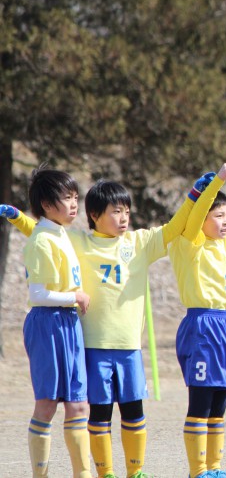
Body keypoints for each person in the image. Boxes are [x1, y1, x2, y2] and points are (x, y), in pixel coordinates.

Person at [3, 173, 209, 478]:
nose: (124, 218)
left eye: (127, 211)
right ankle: (105, 472)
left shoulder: (139, 242)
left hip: (128, 347)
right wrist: (18, 217)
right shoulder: (78, 240)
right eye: (116, 212)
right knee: (98, 414)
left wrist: (194, 195)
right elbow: (40, 232)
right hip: (92, 344)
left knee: (134, 411)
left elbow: (175, 227)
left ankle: (135, 471)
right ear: (95, 216)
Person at [168, 160, 226, 478]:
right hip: (202, 325)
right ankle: (198, 470)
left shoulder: (223, 244)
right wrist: (218, 181)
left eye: (224, 216)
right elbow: (197, 212)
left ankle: (215, 468)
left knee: (220, 400)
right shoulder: (189, 244)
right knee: (202, 401)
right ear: (201, 219)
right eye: (217, 216)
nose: (224, 221)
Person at [19, 167, 92, 478]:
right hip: (47, 325)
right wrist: (74, 297)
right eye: (67, 198)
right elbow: (38, 294)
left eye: (76, 197)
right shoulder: (41, 240)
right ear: (47, 205)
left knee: (78, 404)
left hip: (68, 324)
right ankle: (41, 474)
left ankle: (83, 474)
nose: (74, 204)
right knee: (48, 403)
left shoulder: (61, 234)